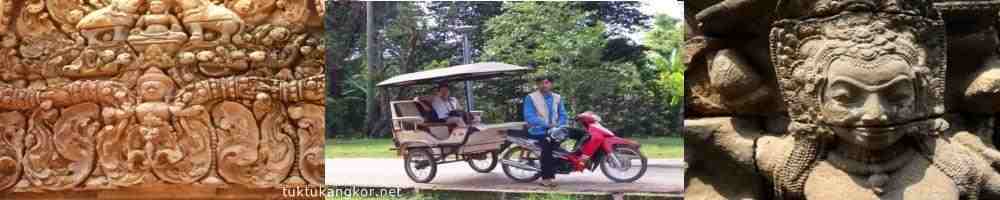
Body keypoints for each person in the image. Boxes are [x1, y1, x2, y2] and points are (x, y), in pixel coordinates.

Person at [523, 76, 568, 187]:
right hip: (537, 130)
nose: (543, 85)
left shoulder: (557, 97)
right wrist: (546, 125)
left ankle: (561, 166)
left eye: (546, 83)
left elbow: (563, 114)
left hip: (555, 129)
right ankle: (546, 178)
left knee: (569, 136)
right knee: (547, 147)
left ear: (551, 84)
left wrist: (559, 125)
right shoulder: (531, 97)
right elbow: (529, 116)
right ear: (537, 85)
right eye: (540, 83)